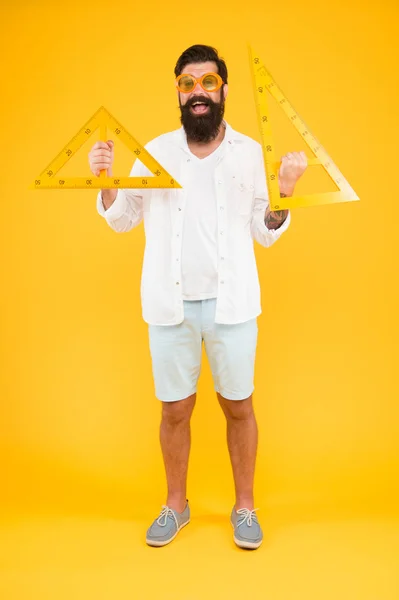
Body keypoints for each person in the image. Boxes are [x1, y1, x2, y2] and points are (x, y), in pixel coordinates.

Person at [89, 44, 307, 550]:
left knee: (239, 406)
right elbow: (123, 219)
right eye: (188, 84)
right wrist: (104, 183)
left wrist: (286, 192)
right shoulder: (155, 152)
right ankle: (176, 505)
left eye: (208, 82)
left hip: (233, 307)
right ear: (179, 93)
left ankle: (245, 507)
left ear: (223, 90)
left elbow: (265, 230)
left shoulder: (252, 153)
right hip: (170, 305)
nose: (198, 93)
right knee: (174, 410)